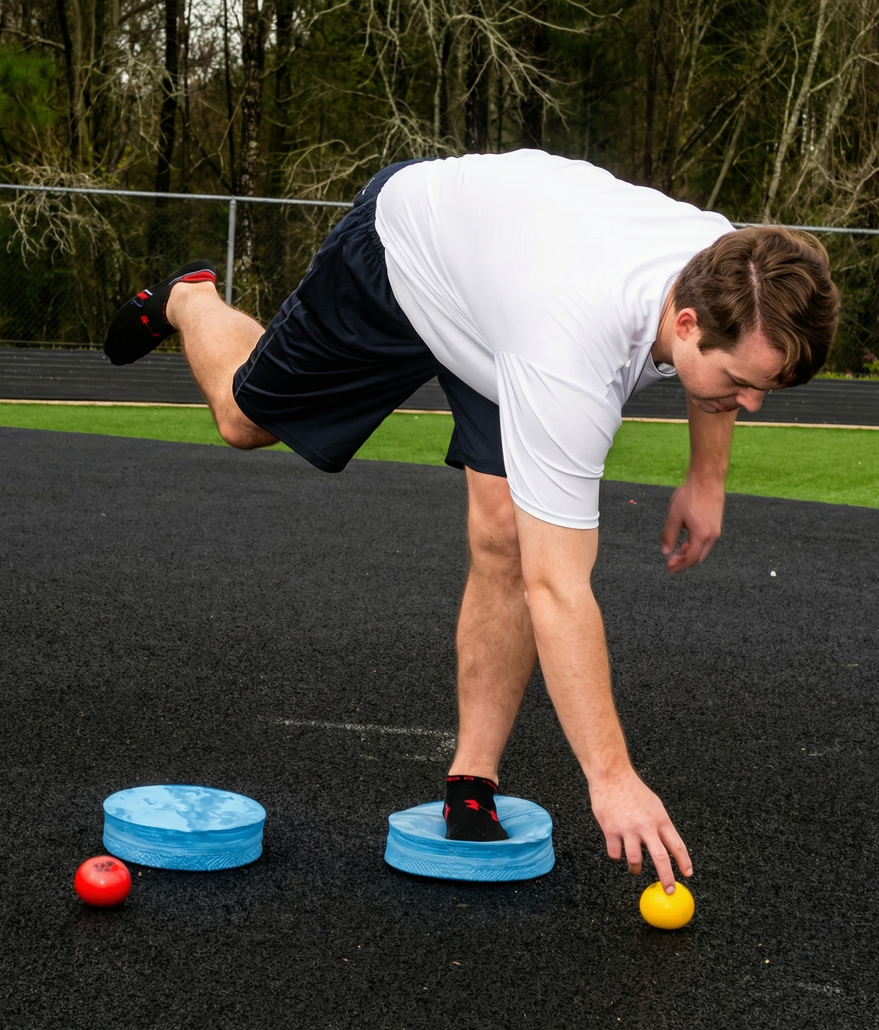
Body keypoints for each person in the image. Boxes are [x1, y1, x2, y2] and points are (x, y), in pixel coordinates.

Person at [105, 150, 839, 893]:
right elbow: (558, 589)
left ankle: (472, 778)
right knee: (242, 419)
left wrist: (706, 477)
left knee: (506, 530)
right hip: (408, 257)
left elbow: (725, 364)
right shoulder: (569, 356)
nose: (749, 404)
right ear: (685, 322)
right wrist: (611, 778)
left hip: (510, 294)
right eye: (744, 387)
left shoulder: (729, 261)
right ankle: (189, 297)